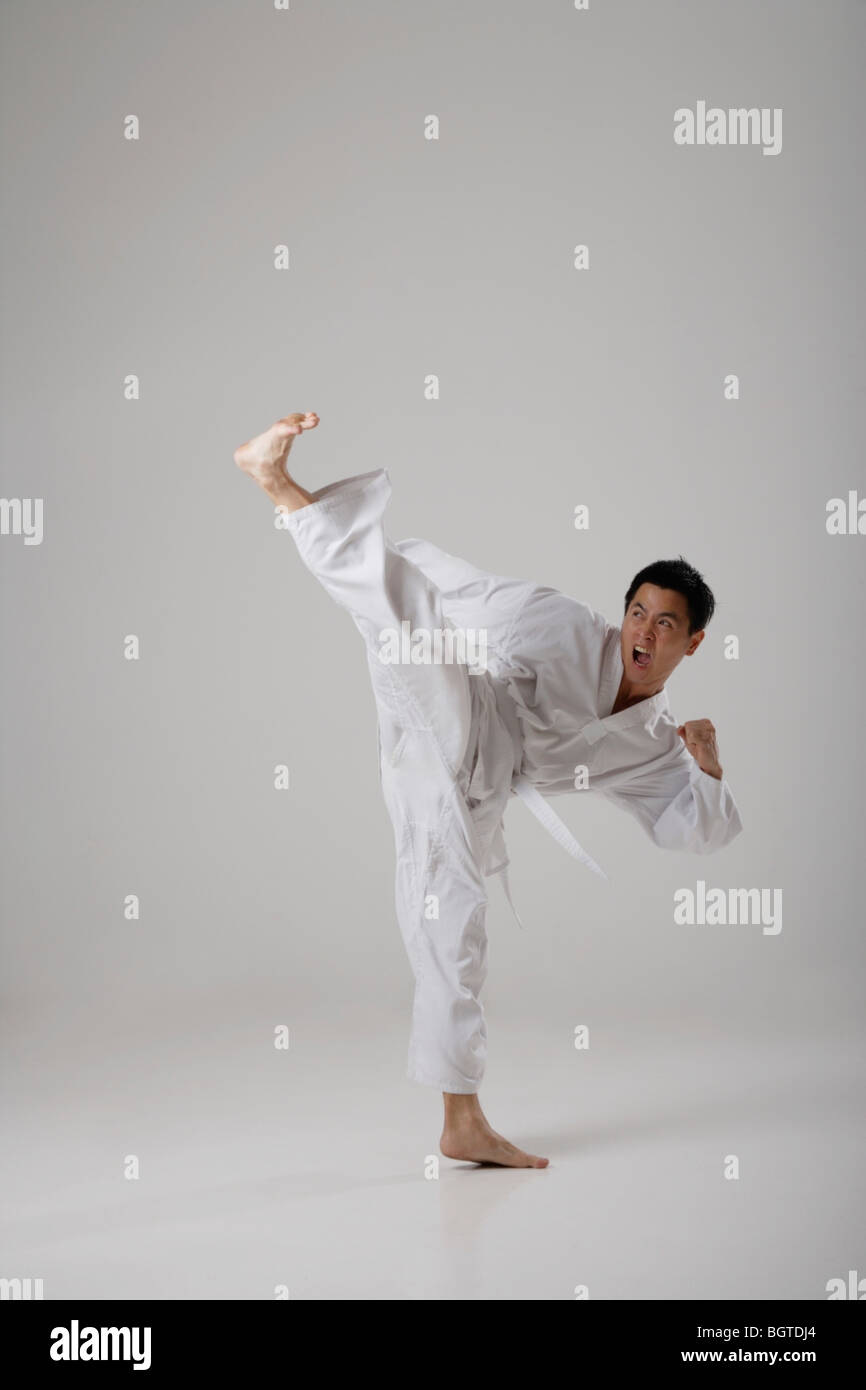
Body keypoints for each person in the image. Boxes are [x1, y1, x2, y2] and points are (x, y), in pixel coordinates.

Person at [234, 412, 743, 1169]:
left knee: (454, 932)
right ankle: (278, 484)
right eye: (638, 611)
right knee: (405, 619)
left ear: (693, 641)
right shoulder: (566, 629)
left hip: (476, 795)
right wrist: (420, 621)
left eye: (664, 624)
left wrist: (706, 764)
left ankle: (460, 1121)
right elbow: (461, 603)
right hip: (460, 707)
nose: (643, 632)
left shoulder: (650, 742)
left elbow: (697, 831)